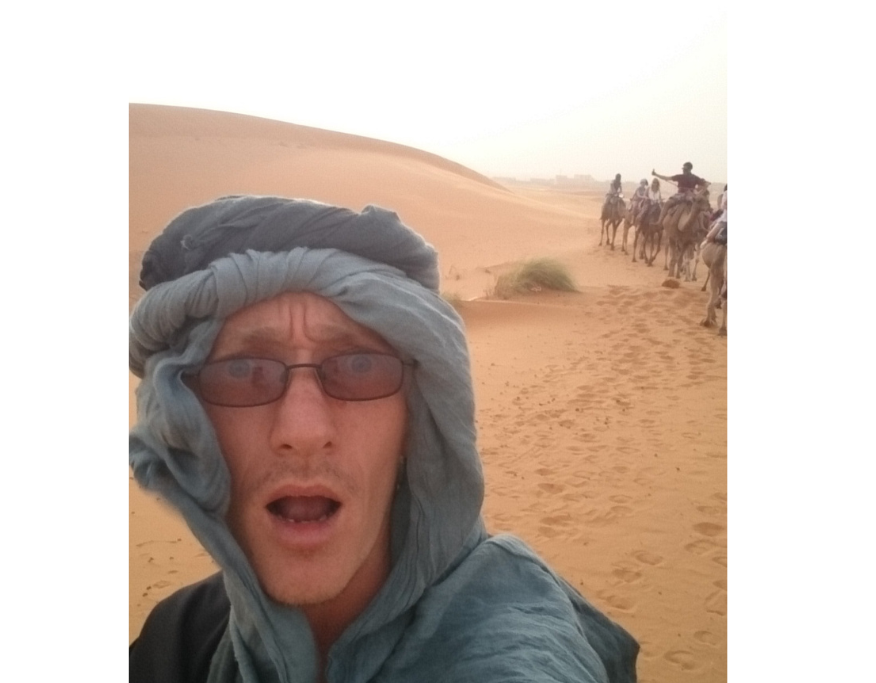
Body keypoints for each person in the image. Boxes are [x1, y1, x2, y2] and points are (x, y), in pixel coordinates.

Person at [128, 196, 639, 683]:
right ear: (188, 424)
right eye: (243, 372)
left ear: (414, 424)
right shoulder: (178, 637)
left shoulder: (511, 647)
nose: (303, 433)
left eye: (358, 367)